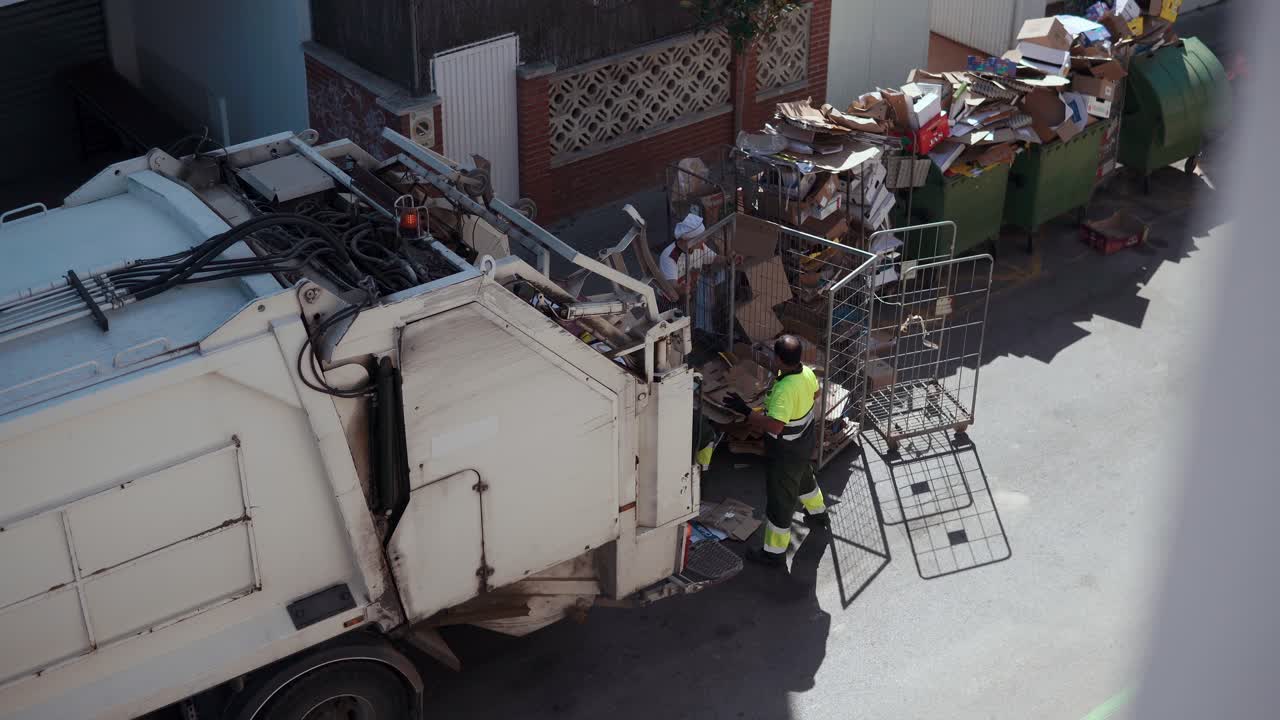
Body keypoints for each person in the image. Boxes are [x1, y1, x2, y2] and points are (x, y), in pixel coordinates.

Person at [724, 335, 829, 568]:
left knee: (780, 502)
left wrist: (746, 412)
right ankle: (819, 513)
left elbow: (775, 426)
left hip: (785, 451)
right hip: (803, 442)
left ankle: (773, 553)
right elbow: (815, 395)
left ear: (779, 359)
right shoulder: (808, 373)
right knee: (804, 478)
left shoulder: (784, 389)